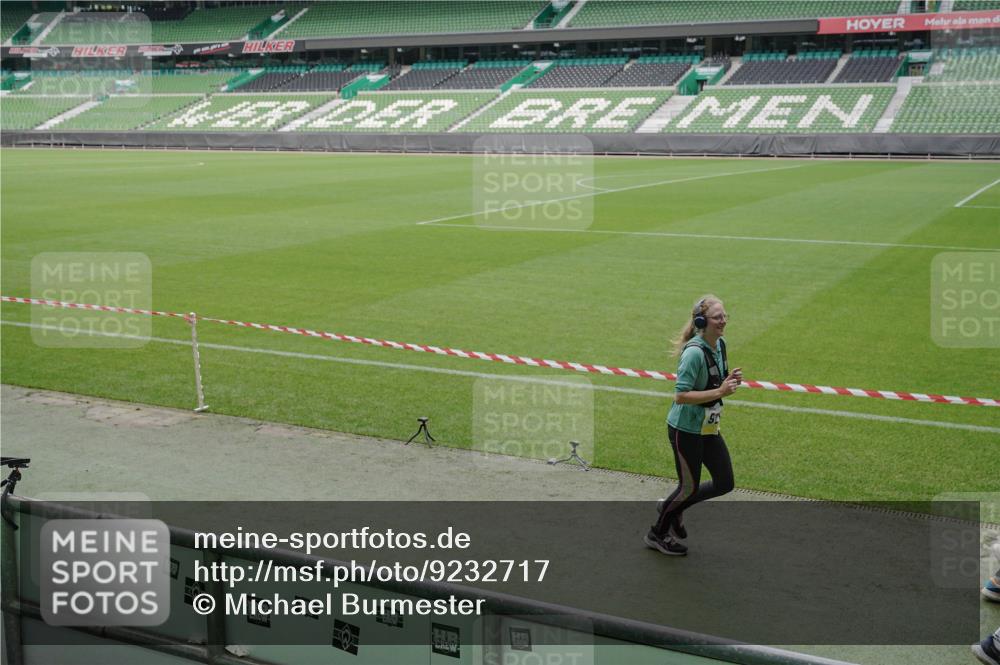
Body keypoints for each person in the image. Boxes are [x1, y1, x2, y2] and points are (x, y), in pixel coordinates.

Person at [645, 295, 741, 556]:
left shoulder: (720, 345)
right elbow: (681, 395)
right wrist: (720, 390)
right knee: (688, 487)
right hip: (685, 430)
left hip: (707, 429)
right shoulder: (694, 354)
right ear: (702, 321)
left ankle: (674, 507)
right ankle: (657, 533)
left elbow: (713, 383)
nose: (723, 321)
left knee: (725, 482)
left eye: (724, 316)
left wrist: (727, 382)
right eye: (717, 317)